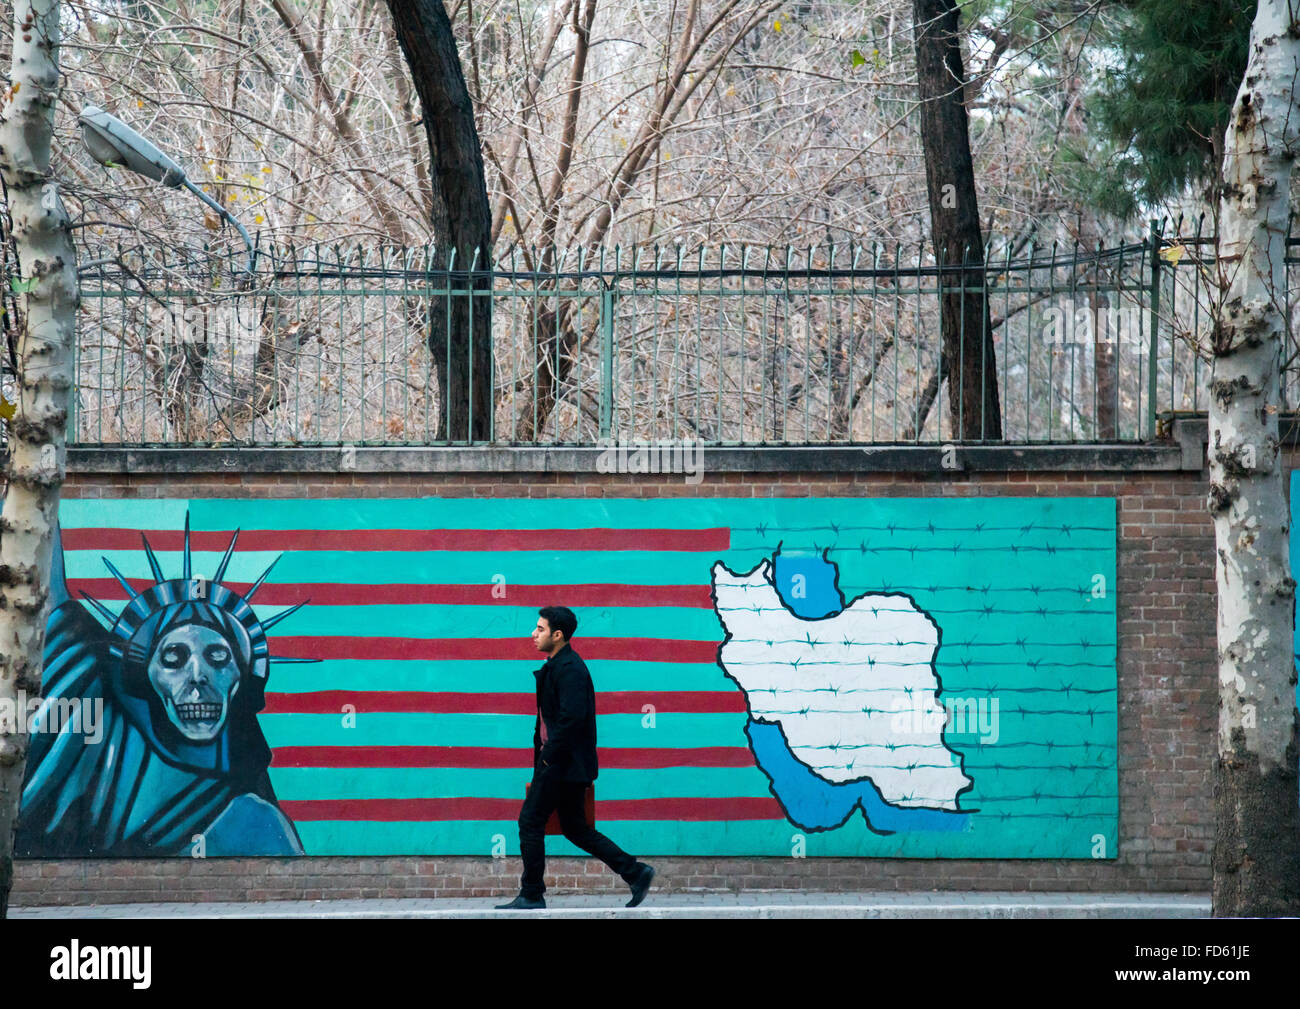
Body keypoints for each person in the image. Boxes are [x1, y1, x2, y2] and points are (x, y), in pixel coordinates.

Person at [496, 606, 654, 910]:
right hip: (562, 765)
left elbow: (571, 719)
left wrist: (546, 760)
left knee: (530, 821)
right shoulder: (558, 666)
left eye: (540, 629)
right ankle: (635, 872)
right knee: (575, 828)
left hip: (560, 766)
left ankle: (531, 893)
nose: (533, 633)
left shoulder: (570, 669)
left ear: (558, 635)